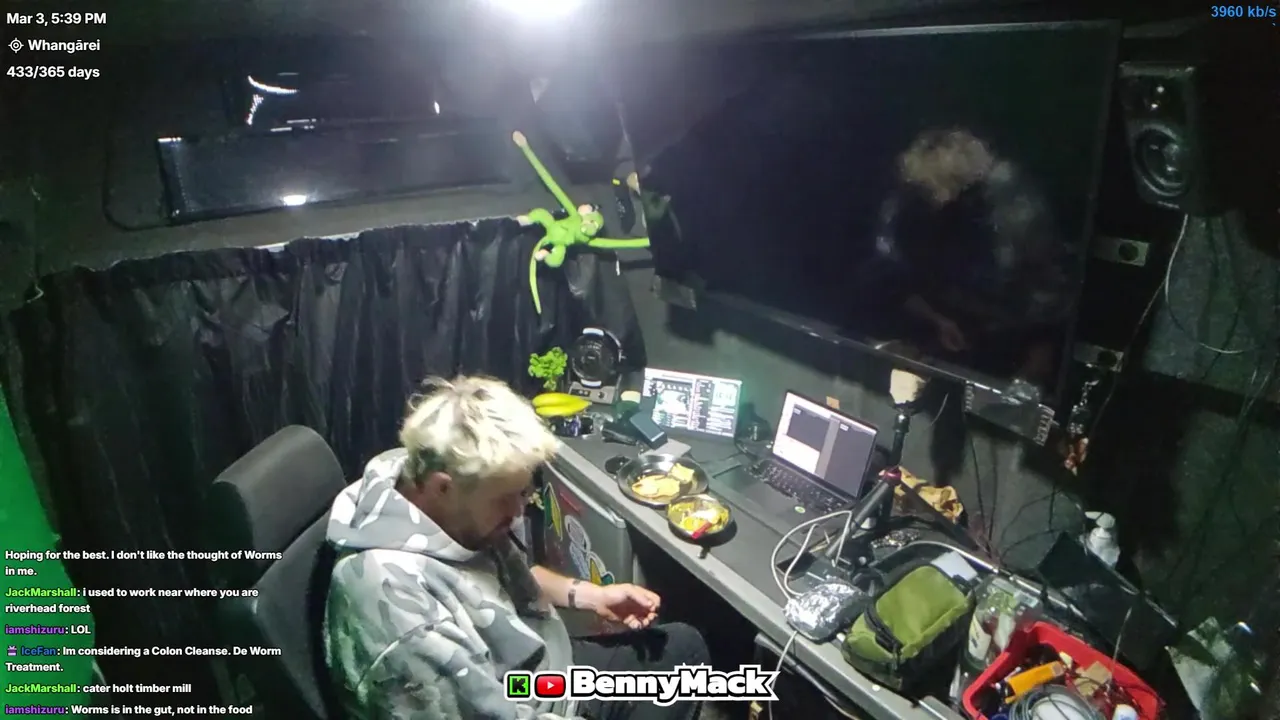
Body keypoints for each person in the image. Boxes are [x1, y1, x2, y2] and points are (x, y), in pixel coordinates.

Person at [323, 374, 709, 720]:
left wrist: (592, 596)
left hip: (535, 664)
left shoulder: (412, 473)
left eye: (523, 492)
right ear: (443, 487)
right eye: (505, 499)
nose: (519, 511)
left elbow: (498, 574)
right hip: (517, 701)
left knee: (681, 648)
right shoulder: (406, 622)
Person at [867, 128, 1078, 386]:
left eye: (930, 187)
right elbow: (895, 271)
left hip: (1021, 334)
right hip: (969, 325)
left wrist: (1040, 354)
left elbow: (1050, 283)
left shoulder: (1009, 198)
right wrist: (939, 319)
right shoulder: (921, 205)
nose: (932, 197)